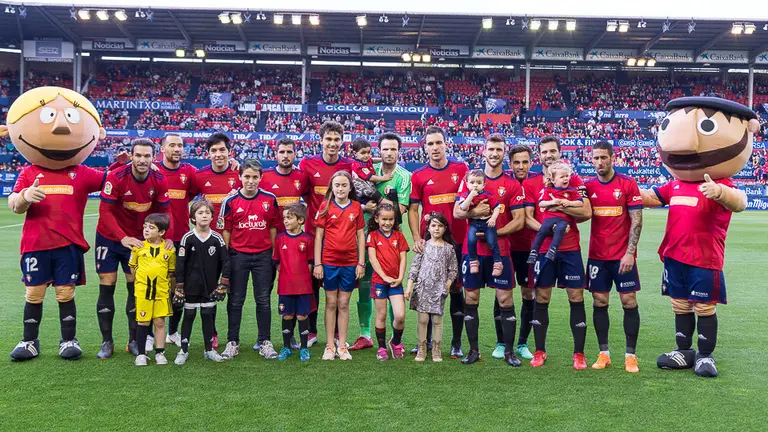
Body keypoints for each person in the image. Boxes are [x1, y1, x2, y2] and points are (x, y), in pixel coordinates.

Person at [642, 97, 758, 378]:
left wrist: (720, 193)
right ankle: (684, 351)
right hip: (674, 256)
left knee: (704, 307)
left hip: (705, 258)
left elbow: (740, 201)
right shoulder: (674, 185)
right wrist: (620, 190)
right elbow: (649, 197)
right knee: (680, 304)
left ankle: (706, 356)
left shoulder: (722, 183)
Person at [4, 86, 107, 361]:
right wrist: (26, 196)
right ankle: (29, 341)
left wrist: (139, 166)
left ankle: (68, 340)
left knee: (65, 292)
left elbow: (112, 180)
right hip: (36, 244)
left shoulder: (82, 173)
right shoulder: (29, 172)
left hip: (68, 245)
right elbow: (14, 205)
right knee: (34, 293)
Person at [94, 138, 173, 360]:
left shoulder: (158, 179)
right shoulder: (116, 177)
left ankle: (134, 341)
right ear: (131, 156)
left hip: (138, 240)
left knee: (135, 288)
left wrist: (168, 237)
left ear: (153, 157)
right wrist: (122, 237)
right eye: (138, 155)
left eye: (147, 156)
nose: (142, 160)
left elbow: (166, 213)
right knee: (107, 284)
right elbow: (105, 212)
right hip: (110, 238)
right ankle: (107, 342)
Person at [453, 134, 525, 366]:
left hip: (500, 252)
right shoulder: (469, 181)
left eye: (499, 150)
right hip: (471, 251)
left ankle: (509, 351)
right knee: (471, 298)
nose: (494, 154)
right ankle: (474, 350)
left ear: (505, 154)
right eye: (491, 149)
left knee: (505, 300)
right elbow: (457, 212)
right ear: (483, 151)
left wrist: (496, 233)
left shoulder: (511, 185)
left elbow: (519, 220)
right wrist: (474, 214)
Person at [523, 136, 593, 369]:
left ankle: (579, 354)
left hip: (570, 248)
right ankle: (540, 351)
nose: (549, 155)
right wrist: (549, 229)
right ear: (539, 155)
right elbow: (529, 217)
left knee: (576, 297)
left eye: (553, 151)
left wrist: (563, 208)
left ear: (559, 152)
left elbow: (586, 211)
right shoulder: (533, 183)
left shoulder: (573, 179)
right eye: (545, 152)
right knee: (542, 298)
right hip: (544, 250)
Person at [408, 126, 468, 359]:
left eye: (438, 143)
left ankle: (456, 343)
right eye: (430, 144)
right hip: (431, 244)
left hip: (458, 242)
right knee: (428, 291)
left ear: (446, 144)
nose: (435, 147)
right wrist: (416, 237)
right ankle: (425, 342)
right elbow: (413, 209)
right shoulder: (419, 175)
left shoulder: (460, 169)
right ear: (425, 147)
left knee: (454, 291)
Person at [584, 141, 644, 373]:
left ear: (612, 158)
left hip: (622, 257)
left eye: (603, 157)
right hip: (597, 257)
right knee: (600, 302)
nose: (600, 162)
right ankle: (604, 353)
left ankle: (630, 356)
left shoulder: (627, 184)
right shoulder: (588, 187)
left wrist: (630, 253)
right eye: (596, 158)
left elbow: (637, 220)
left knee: (629, 301)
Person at [350, 133, 410, 352]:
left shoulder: (404, 176)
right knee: (364, 282)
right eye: (385, 149)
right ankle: (365, 333)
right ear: (379, 151)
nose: (389, 153)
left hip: (391, 240)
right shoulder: (366, 171)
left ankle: (396, 339)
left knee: (393, 281)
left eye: (393, 149)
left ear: (398, 151)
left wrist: (375, 203)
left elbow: (399, 211)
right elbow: (355, 200)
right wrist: (372, 206)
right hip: (362, 236)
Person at [299, 121, 354, 346]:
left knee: (339, 289)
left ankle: (339, 334)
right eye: (328, 139)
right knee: (313, 284)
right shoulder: (307, 164)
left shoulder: (349, 166)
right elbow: (301, 192)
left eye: (336, 139)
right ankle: (312, 331)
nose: (332, 143)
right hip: (314, 237)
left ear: (342, 141)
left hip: (341, 239)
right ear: (320, 140)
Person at [218, 159, 279, 360]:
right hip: (238, 256)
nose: (251, 181)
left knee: (263, 300)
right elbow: (226, 230)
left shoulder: (270, 199)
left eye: (255, 177)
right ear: (240, 177)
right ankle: (232, 342)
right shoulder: (231, 201)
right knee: (236, 300)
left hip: (263, 257)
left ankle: (264, 341)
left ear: (261, 178)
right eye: (247, 177)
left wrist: (272, 254)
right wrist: (226, 258)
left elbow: (272, 227)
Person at [260, 137, 310, 350]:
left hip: (295, 246)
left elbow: (311, 200)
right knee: (265, 292)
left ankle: (305, 336)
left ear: (294, 154)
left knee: (300, 290)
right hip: (269, 244)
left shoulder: (302, 176)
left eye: (290, 152)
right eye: (282, 152)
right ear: (275, 154)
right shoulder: (266, 177)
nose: (286, 155)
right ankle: (263, 338)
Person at [193, 133, 242, 350]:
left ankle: (233, 338)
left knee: (234, 294)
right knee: (209, 292)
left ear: (229, 152)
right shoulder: (200, 176)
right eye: (214, 150)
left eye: (222, 150)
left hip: (234, 245)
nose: (218, 154)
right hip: (208, 246)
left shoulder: (240, 174)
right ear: (208, 154)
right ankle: (211, 333)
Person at [313, 171, 366, 361]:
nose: (341, 189)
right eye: (337, 185)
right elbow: (318, 236)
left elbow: (360, 235)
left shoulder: (357, 207)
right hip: (329, 262)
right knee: (331, 303)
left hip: (350, 263)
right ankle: (329, 346)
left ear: (350, 187)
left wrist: (361, 262)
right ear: (332, 188)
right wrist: (318, 263)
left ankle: (342, 346)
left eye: (344, 185)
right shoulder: (325, 206)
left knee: (344, 304)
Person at [173, 199, 230, 365]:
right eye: (200, 213)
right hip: (190, 287)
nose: (204, 216)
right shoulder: (187, 238)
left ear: (212, 216)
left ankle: (209, 350)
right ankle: (183, 350)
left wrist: (223, 283)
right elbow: (180, 263)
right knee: (189, 315)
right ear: (192, 218)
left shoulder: (217, 239)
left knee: (207, 316)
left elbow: (225, 261)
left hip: (210, 287)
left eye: (207, 213)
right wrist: (179, 287)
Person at [405, 212, 459, 362]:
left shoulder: (449, 248)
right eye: (433, 225)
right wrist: (409, 287)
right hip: (423, 288)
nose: (436, 229)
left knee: (437, 320)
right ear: (428, 228)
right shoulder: (423, 246)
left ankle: (436, 348)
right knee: (422, 320)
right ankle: (421, 347)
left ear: (445, 229)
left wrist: (447, 285)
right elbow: (414, 268)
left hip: (439, 289)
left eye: (440, 226)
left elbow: (453, 269)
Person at [504, 145, 538, 360]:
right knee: (503, 295)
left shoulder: (538, 181)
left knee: (528, 294)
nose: (521, 166)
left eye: (525, 162)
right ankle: (501, 342)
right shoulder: (504, 181)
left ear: (531, 163)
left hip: (530, 248)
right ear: (510, 164)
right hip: (506, 247)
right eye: (516, 162)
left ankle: (523, 343)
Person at [129, 213, 176, 366]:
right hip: (143, 293)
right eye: (145, 227)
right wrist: (141, 283)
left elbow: (170, 271)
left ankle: (160, 353)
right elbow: (133, 269)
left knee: (159, 322)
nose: (146, 230)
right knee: (142, 322)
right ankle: (141, 354)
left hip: (161, 293)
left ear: (161, 232)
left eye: (151, 228)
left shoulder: (168, 250)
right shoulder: (138, 248)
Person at [366, 203, 410, 361]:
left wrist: (399, 277)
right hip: (379, 282)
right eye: (384, 219)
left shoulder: (399, 236)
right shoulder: (372, 235)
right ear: (377, 218)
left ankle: (395, 342)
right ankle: (382, 347)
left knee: (400, 315)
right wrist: (384, 277)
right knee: (381, 314)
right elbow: (372, 259)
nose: (387, 223)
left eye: (391, 219)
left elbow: (403, 258)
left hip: (395, 283)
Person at [273, 203, 315, 362]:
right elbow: (277, 262)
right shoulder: (279, 239)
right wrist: (287, 275)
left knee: (302, 316)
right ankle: (286, 347)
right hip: (285, 286)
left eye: (289, 218)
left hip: (303, 287)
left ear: (301, 220)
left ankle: (304, 349)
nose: (285, 221)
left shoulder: (307, 240)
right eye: (284, 218)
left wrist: (302, 278)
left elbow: (310, 263)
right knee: (287, 315)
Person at [527, 161, 584, 267]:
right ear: (553, 180)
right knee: (542, 230)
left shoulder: (572, 191)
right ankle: (534, 251)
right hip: (549, 219)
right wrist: (552, 202)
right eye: (562, 177)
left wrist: (569, 203)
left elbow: (580, 203)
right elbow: (541, 204)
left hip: (564, 220)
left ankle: (552, 249)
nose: (566, 179)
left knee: (560, 229)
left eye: (567, 176)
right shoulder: (548, 191)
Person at [457, 169, 503, 277]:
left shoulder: (488, 195)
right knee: (471, 240)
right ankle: (473, 261)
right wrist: (471, 196)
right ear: (467, 184)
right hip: (474, 222)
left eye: (479, 183)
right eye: (472, 182)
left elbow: (497, 208)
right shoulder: (465, 195)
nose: (475, 185)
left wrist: (493, 219)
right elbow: (463, 207)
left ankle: (497, 262)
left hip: (487, 222)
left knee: (492, 242)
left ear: (484, 184)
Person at [350, 137, 392, 206]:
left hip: (369, 189)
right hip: (362, 195)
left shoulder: (365, 159)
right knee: (372, 205)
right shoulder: (358, 165)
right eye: (363, 153)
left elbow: (372, 160)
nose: (366, 155)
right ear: (355, 153)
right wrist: (384, 178)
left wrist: (382, 159)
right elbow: (370, 177)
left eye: (368, 152)